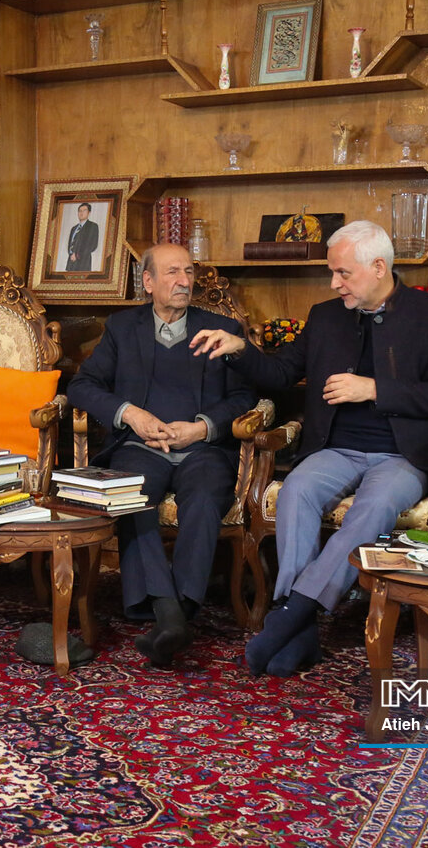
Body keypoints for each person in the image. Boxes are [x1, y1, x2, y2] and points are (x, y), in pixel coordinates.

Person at [192, 220, 428, 676]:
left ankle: (291, 616)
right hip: (335, 449)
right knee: (296, 490)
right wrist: (240, 347)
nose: (334, 283)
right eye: (332, 273)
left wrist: (373, 389)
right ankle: (300, 630)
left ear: (379, 268)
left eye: (343, 273)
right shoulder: (325, 315)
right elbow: (281, 373)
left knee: (375, 506)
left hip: (400, 455)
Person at [68, 243, 255, 667]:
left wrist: (202, 427)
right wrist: (130, 414)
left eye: (188, 272)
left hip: (203, 447)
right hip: (140, 446)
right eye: (172, 272)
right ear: (148, 282)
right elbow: (82, 386)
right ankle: (169, 612)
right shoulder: (122, 328)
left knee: (204, 498)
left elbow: (245, 396)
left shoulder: (221, 328)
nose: (184, 281)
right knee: (133, 497)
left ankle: (179, 609)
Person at [66, 202, 100, 271]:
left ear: (89, 213)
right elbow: (70, 245)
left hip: (83, 263)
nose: (81, 213)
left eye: (84, 210)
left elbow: (93, 245)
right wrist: (71, 255)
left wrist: (77, 255)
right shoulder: (74, 228)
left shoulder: (93, 226)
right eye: (80, 211)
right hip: (71, 264)